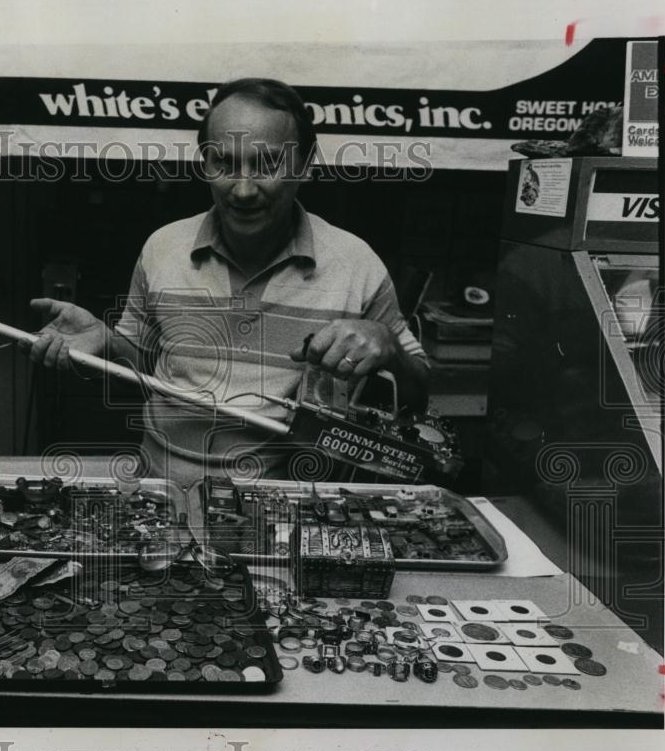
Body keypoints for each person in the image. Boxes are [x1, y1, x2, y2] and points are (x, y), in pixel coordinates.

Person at [24, 78, 429, 485]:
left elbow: (417, 402)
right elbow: (143, 364)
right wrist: (104, 342)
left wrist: (389, 345)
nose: (243, 189)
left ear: (305, 165)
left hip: (285, 507)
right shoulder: (162, 247)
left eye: (267, 164)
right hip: (158, 491)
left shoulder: (356, 262)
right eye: (224, 162)